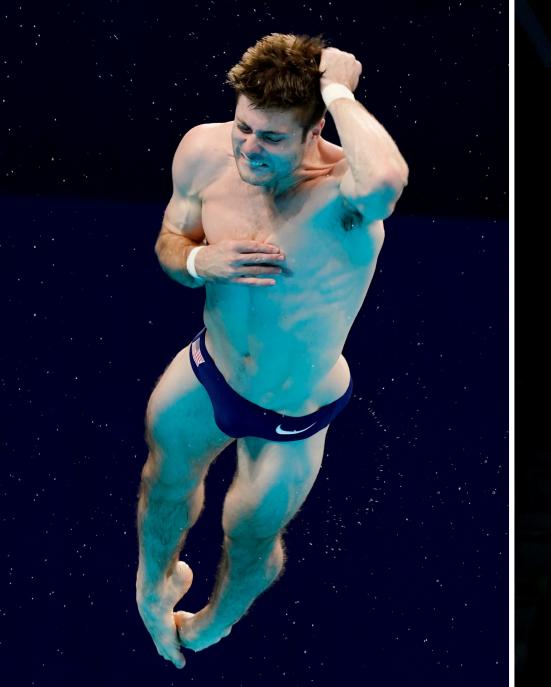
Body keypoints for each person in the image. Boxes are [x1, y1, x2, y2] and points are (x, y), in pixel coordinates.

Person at [134, 33, 409, 667]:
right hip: (210, 370)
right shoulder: (205, 152)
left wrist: (338, 89)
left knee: (250, 540)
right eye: (244, 128)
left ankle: (212, 625)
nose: (248, 150)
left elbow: (389, 175)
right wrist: (202, 259)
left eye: (272, 139)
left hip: (293, 412)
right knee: (161, 479)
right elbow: (170, 243)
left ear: (315, 128)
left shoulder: (347, 196)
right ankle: (152, 594)